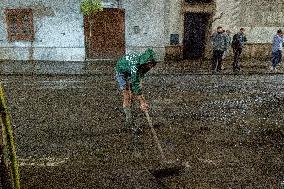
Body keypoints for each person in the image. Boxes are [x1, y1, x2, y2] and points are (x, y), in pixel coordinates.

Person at [115, 48, 157, 132]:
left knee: (134, 92)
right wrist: (142, 101)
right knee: (127, 95)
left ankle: (129, 109)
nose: (151, 66)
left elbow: (138, 80)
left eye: (152, 64)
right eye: (149, 64)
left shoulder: (145, 65)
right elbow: (135, 82)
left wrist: (140, 94)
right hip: (121, 71)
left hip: (130, 70)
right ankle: (129, 123)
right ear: (145, 62)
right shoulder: (136, 66)